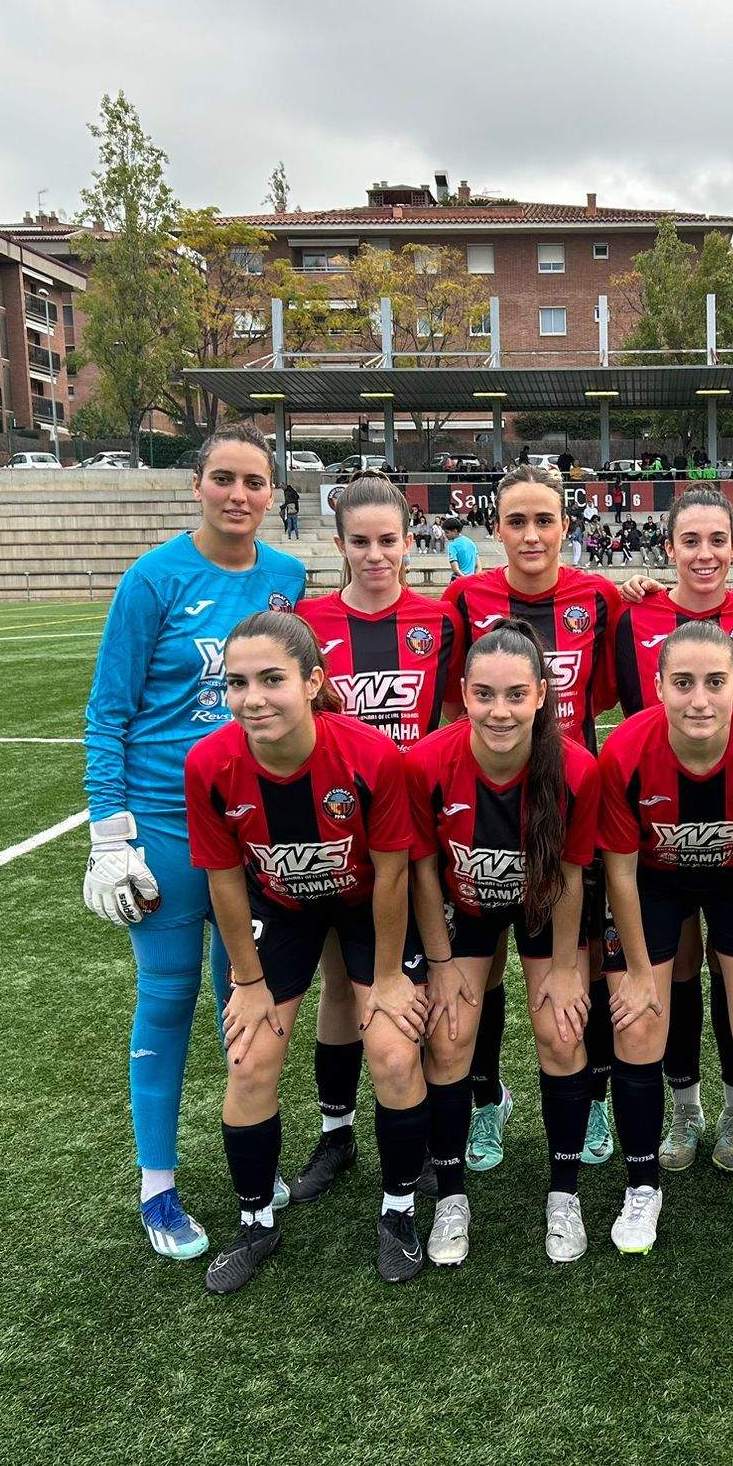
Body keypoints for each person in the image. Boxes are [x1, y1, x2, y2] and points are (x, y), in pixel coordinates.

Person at [82, 422, 306, 1261]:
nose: (239, 495)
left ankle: (246, 1160)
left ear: (273, 493)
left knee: (244, 1001)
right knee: (168, 997)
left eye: (254, 481)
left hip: (253, 826)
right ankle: (158, 1186)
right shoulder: (153, 578)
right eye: (224, 478)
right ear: (197, 484)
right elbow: (109, 712)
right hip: (167, 824)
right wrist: (111, 836)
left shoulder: (286, 578)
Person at [184, 613, 427, 1291]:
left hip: (366, 906)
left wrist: (387, 977)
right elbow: (225, 882)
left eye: (272, 680)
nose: (252, 698)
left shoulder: (372, 757)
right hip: (280, 912)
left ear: (313, 682)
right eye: (237, 683)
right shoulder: (209, 764)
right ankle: (256, 1221)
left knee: (393, 1051)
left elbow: (394, 874)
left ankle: (399, 1211)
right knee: (250, 1059)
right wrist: (248, 981)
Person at [596, 623, 733, 1253]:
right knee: (637, 1022)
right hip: (654, 883)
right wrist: (636, 972)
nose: (699, 700)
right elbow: (620, 874)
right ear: (658, 688)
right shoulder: (624, 752)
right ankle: (642, 1187)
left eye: (715, 682)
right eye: (683, 683)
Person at [442, 466, 624, 1175]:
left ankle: (596, 1095)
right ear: (496, 528)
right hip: (484, 808)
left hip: (572, 806)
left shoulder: (599, 596)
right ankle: (487, 1098)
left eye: (544, 520)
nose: (531, 535)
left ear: (566, 526)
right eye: (516, 521)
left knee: (584, 964)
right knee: (482, 965)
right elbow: (456, 700)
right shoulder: (465, 598)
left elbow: (603, 694)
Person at [284, 476, 460, 1202]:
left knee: (417, 984)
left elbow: (455, 718)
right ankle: (336, 1132)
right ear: (339, 544)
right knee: (338, 984)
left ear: (410, 543)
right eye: (360, 541)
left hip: (416, 838)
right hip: (333, 832)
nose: (376, 554)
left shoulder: (439, 621)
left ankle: (426, 1130)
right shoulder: (308, 621)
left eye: (389, 540)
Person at [407, 621, 601, 1264]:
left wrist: (568, 969)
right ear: (463, 693)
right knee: (448, 1034)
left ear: (542, 694)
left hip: (544, 906)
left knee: (562, 1031)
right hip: (464, 908)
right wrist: (440, 963)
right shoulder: (427, 762)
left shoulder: (576, 768)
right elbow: (423, 872)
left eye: (516, 695)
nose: (499, 711)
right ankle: (451, 1199)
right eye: (484, 695)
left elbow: (571, 875)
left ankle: (564, 1193)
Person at [608, 489, 733, 1172]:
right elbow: (624, 703)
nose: (704, 553)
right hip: (658, 828)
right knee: (671, 973)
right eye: (690, 540)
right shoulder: (635, 612)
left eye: (718, 540)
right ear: (668, 547)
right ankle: (685, 1108)